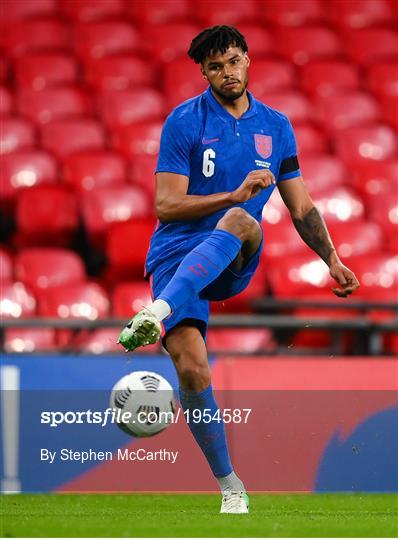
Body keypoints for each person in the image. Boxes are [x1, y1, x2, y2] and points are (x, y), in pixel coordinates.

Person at [117, 26, 360, 513]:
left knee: (240, 219)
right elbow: (166, 206)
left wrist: (331, 259)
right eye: (215, 66)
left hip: (234, 252)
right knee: (191, 366)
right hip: (178, 253)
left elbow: (302, 208)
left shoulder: (277, 126)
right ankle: (231, 486)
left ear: (247, 60)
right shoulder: (184, 122)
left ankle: (156, 311)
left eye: (233, 61)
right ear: (202, 73)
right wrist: (232, 193)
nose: (226, 72)